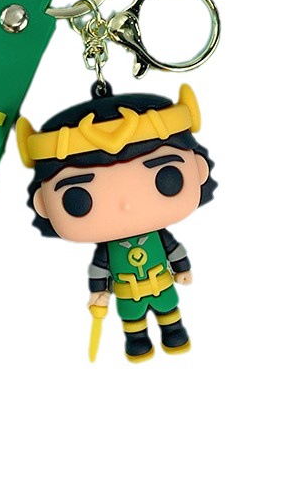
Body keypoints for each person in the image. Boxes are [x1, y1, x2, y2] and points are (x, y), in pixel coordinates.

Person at [16, 84, 217, 362]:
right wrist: (99, 292)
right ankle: (137, 340)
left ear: (199, 169)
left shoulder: (158, 238)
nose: (126, 206)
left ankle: (174, 332)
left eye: (166, 178)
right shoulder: (108, 250)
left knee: (169, 312)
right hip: (127, 293)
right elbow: (99, 269)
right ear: (43, 204)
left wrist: (182, 269)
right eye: (79, 199)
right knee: (133, 322)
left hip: (161, 285)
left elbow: (174, 250)